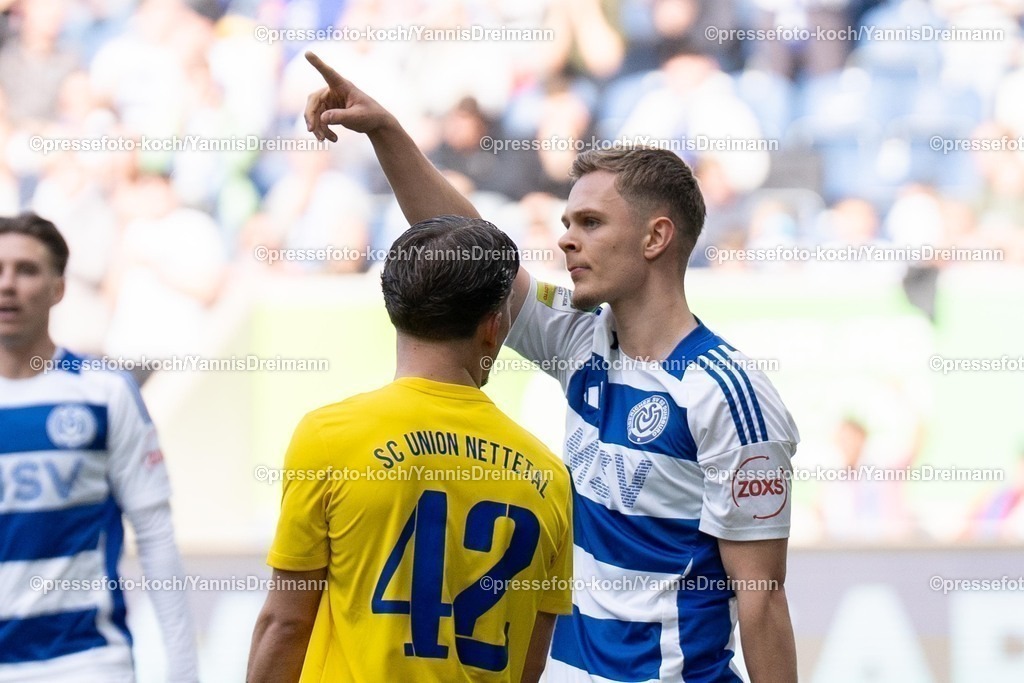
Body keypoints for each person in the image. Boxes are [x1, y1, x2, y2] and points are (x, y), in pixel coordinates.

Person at [302, 52, 800, 682]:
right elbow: (467, 244)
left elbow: (761, 601)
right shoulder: (580, 339)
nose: (566, 240)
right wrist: (386, 131)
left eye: (590, 223)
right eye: (567, 223)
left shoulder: (726, 393)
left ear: (655, 238)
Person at [247, 216, 574, 682]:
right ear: (493, 325)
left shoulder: (329, 437)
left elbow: (286, 624)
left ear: (395, 308)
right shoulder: (548, 476)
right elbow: (528, 662)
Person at [0, 212, 197, 682]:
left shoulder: (104, 392)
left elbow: (155, 536)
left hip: (86, 661)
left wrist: (184, 673)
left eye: (26, 270)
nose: (7, 284)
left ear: (58, 288)